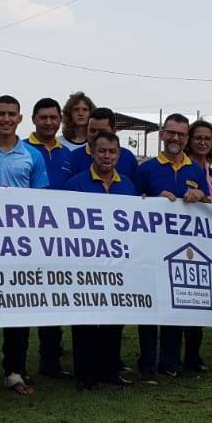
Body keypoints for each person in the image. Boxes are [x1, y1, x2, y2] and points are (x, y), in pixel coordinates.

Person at [0, 95, 50, 396]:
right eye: (0, 114)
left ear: (19, 119)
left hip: (21, 247)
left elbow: (41, 198)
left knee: (19, 309)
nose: (5, 119)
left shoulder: (32, 156)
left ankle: (14, 371)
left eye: (11, 114)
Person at [133, 113, 212, 381]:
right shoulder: (146, 168)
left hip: (182, 250)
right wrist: (152, 199)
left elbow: (208, 205)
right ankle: (147, 362)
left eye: (181, 134)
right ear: (162, 134)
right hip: (150, 250)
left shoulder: (195, 170)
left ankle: (170, 361)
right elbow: (132, 203)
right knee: (148, 308)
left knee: (175, 307)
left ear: (187, 137)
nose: (175, 138)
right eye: (171, 133)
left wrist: (200, 195)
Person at [63, 130, 138, 388]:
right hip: (84, 264)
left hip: (118, 265)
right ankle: (85, 375)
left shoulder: (127, 185)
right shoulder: (76, 184)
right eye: (102, 151)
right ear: (93, 153)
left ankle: (109, 371)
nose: (107, 156)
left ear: (119, 154)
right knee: (84, 320)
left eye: (112, 151)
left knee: (114, 320)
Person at [25, 96, 72, 380]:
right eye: (43, 117)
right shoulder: (24, 150)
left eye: (54, 118)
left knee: (55, 299)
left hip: (60, 238)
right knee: (26, 299)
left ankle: (50, 362)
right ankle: (13, 365)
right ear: (33, 119)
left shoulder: (68, 154)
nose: (49, 122)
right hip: (28, 236)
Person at [182, 119, 212, 374]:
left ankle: (193, 355)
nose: (203, 142)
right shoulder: (183, 167)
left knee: (198, 301)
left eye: (208, 138)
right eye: (198, 137)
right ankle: (179, 356)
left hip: (204, 241)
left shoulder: (211, 172)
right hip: (182, 241)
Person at [58, 106, 138, 184]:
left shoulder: (128, 158)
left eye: (102, 131)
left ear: (113, 131)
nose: (96, 135)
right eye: (92, 131)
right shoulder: (71, 158)